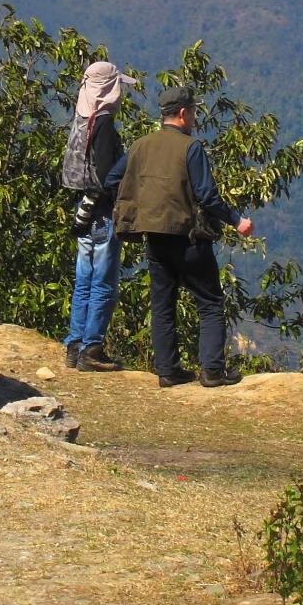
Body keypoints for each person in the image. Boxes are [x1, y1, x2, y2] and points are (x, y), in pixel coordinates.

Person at [105, 85, 255, 388]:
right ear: (184, 113)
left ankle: (168, 371)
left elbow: (112, 179)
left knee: (162, 303)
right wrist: (237, 220)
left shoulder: (140, 146)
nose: (195, 118)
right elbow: (207, 196)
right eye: (194, 112)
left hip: (154, 237)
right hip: (189, 238)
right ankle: (212, 371)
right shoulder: (191, 147)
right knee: (210, 301)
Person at [63, 60, 138, 372]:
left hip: (82, 208)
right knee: (104, 282)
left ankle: (74, 344)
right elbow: (107, 174)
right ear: (109, 89)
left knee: (83, 280)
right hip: (102, 213)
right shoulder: (104, 124)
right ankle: (92, 348)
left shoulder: (80, 120)